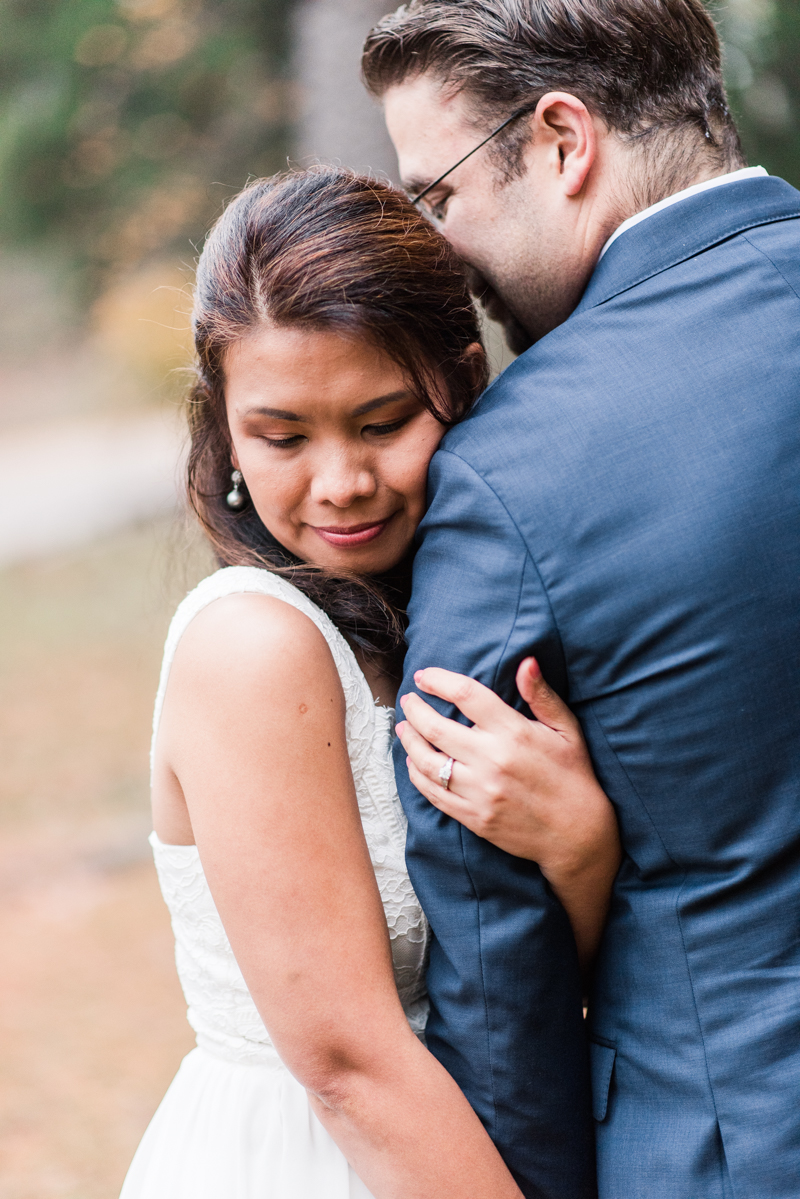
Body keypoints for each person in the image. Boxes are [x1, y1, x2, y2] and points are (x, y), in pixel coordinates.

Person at [361, 0, 800, 1196]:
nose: (433, 249)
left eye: (434, 196)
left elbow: (497, 956)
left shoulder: (516, 465)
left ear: (562, 141)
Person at [119, 167, 618, 1199]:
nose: (340, 482)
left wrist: (575, 843)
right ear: (222, 428)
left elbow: (505, 975)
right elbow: (348, 1064)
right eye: (282, 435)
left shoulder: (446, 613)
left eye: (382, 421)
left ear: (462, 381)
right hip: (312, 1155)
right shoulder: (252, 645)